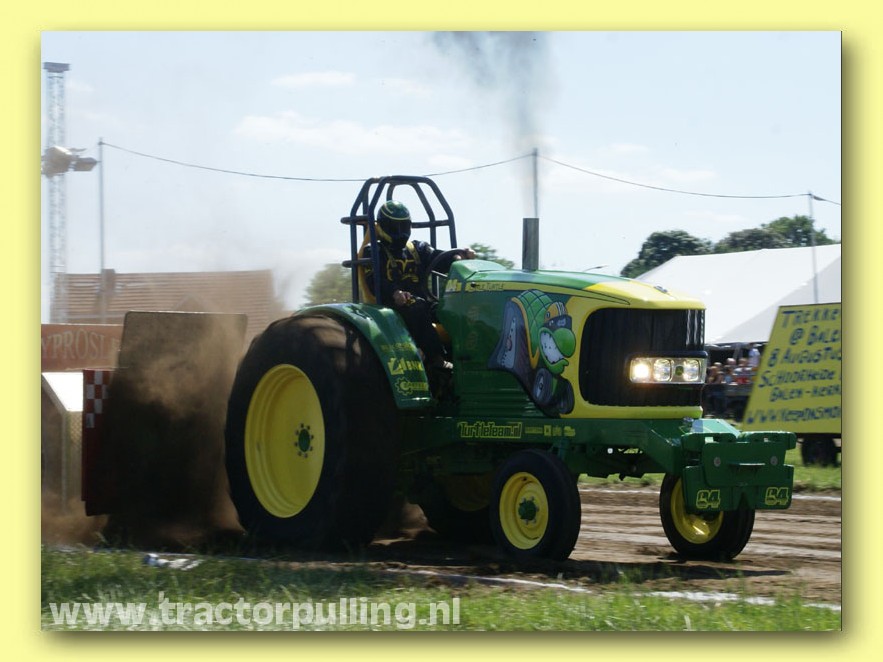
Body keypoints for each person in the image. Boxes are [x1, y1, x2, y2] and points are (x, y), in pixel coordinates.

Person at [363, 200, 474, 369]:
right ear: (383, 226)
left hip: (421, 302)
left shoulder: (417, 248)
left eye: (403, 226)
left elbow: (439, 259)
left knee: (451, 309)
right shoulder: (373, 251)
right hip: (391, 306)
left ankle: (466, 357)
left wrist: (459, 257)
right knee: (417, 306)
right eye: (394, 227)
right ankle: (437, 359)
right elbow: (374, 280)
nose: (400, 232)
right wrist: (395, 293)